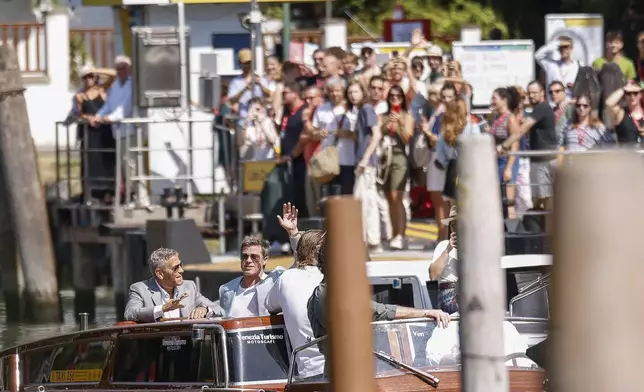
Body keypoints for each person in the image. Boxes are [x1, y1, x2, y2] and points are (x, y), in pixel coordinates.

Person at [90, 55, 151, 210]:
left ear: (129, 68)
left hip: (132, 130)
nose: (121, 71)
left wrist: (108, 118)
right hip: (119, 131)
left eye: (123, 68)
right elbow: (109, 105)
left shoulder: (133, 85)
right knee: (125, 166)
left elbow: (124, 109)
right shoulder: (116, 86)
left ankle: (142, 198)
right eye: (118, 69)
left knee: (133, 164)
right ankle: (132, 197)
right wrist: (98, 115)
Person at [124, 248, 221, 322]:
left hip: (187, 344)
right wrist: (163, 308)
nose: (181, 270)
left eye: (181, 265)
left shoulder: (189, 287)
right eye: (175, 268)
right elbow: (130, 314)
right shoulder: (139, 289)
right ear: (160, 273)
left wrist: (205, 309)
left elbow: (219, 309)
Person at [75, 64, 116, 204]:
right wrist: (88, 118)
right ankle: (91, 192)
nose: (88, 80)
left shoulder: (102, 90)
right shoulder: (80, 96)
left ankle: (109, 191)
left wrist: (96, 70)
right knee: (90, 161)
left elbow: (114, 74)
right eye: (85, 77)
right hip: (91, 132)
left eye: (90, 77)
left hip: (104, 131)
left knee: (107, 161)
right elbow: (79, 114)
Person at [218, 235, 285, 317]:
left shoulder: (274, 285)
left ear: (265, 260)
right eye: (244, 256)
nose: (248, 260)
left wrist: (293, 234)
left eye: (254, 257)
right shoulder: (226, 289)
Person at [428, 205, 459, 314]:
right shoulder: (444, 246)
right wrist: (447, 250)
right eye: (454, 225)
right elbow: (433, 275)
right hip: (450, 295)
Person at [534, 35, 580, 103]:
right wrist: (557, 43)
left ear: (571, 48)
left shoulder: (577, 66)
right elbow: (537, 55)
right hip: (553, 105)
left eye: (566, 47)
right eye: (561, 47)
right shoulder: (551, 65)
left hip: (569, 105)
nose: (563, 50)